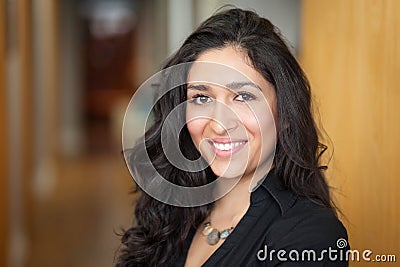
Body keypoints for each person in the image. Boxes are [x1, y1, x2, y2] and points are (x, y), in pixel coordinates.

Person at [116, 8, 348, 267]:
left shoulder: (311, 237)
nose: (219, 124)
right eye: (201, 98)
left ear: (284, 114)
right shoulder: (170, 212)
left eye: (244, 97)